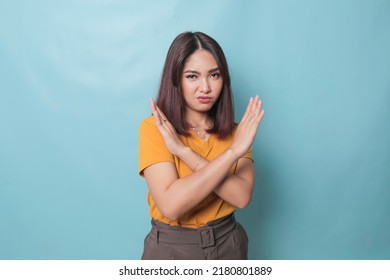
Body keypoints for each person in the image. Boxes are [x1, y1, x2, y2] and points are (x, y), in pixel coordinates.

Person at [138, 31, 264, 260]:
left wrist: (184, 152)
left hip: (229, 244)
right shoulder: (155, 129)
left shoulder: (238, 133)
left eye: (214, 75)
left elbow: (242, 196)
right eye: (192, 76)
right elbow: (171, 205)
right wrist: (233, 153)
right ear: (175, 79)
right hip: (171, 249)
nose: (205, 87)